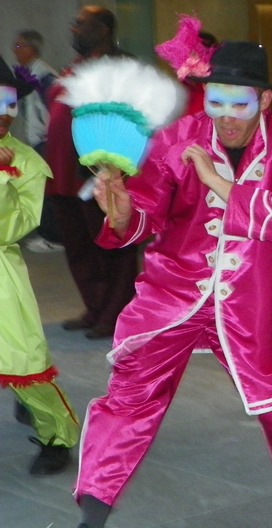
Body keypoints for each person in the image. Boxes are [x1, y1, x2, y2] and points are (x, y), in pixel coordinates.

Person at [73, 41, 272, 528]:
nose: (227, 117)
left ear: (265, 100)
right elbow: (146, 212)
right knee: (128, 399)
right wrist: (126, 213)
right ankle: (91, 516)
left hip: (252, 301)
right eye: (216, 102)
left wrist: (215, 180)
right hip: (171, 293)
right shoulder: (178, 137)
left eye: (241, 104)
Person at [0, 56, 80, 474]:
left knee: (24, 360)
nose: (4, 114)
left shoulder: (25, 162)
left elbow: (13, 226)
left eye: (9, 102)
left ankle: (58, 435)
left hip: (1, 275)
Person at [45, 6, 138, 340]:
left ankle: (117, 314)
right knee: (79, 248)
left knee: (111, 247)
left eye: (81, 25)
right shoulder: (75, 67)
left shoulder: (121, 65)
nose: (73, 29)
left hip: (98, 175)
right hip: (63, 173)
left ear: (102, 30)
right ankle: (95, 307)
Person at [12, 29, 64, 253]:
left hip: (46, 140)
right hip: (37, 139)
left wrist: (50, 134)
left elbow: (57, 105)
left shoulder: (43, 74)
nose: (15, 52)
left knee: (45, 188)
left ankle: (54, 237)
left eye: (18, 47)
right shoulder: (28, 73)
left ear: (30, 49)